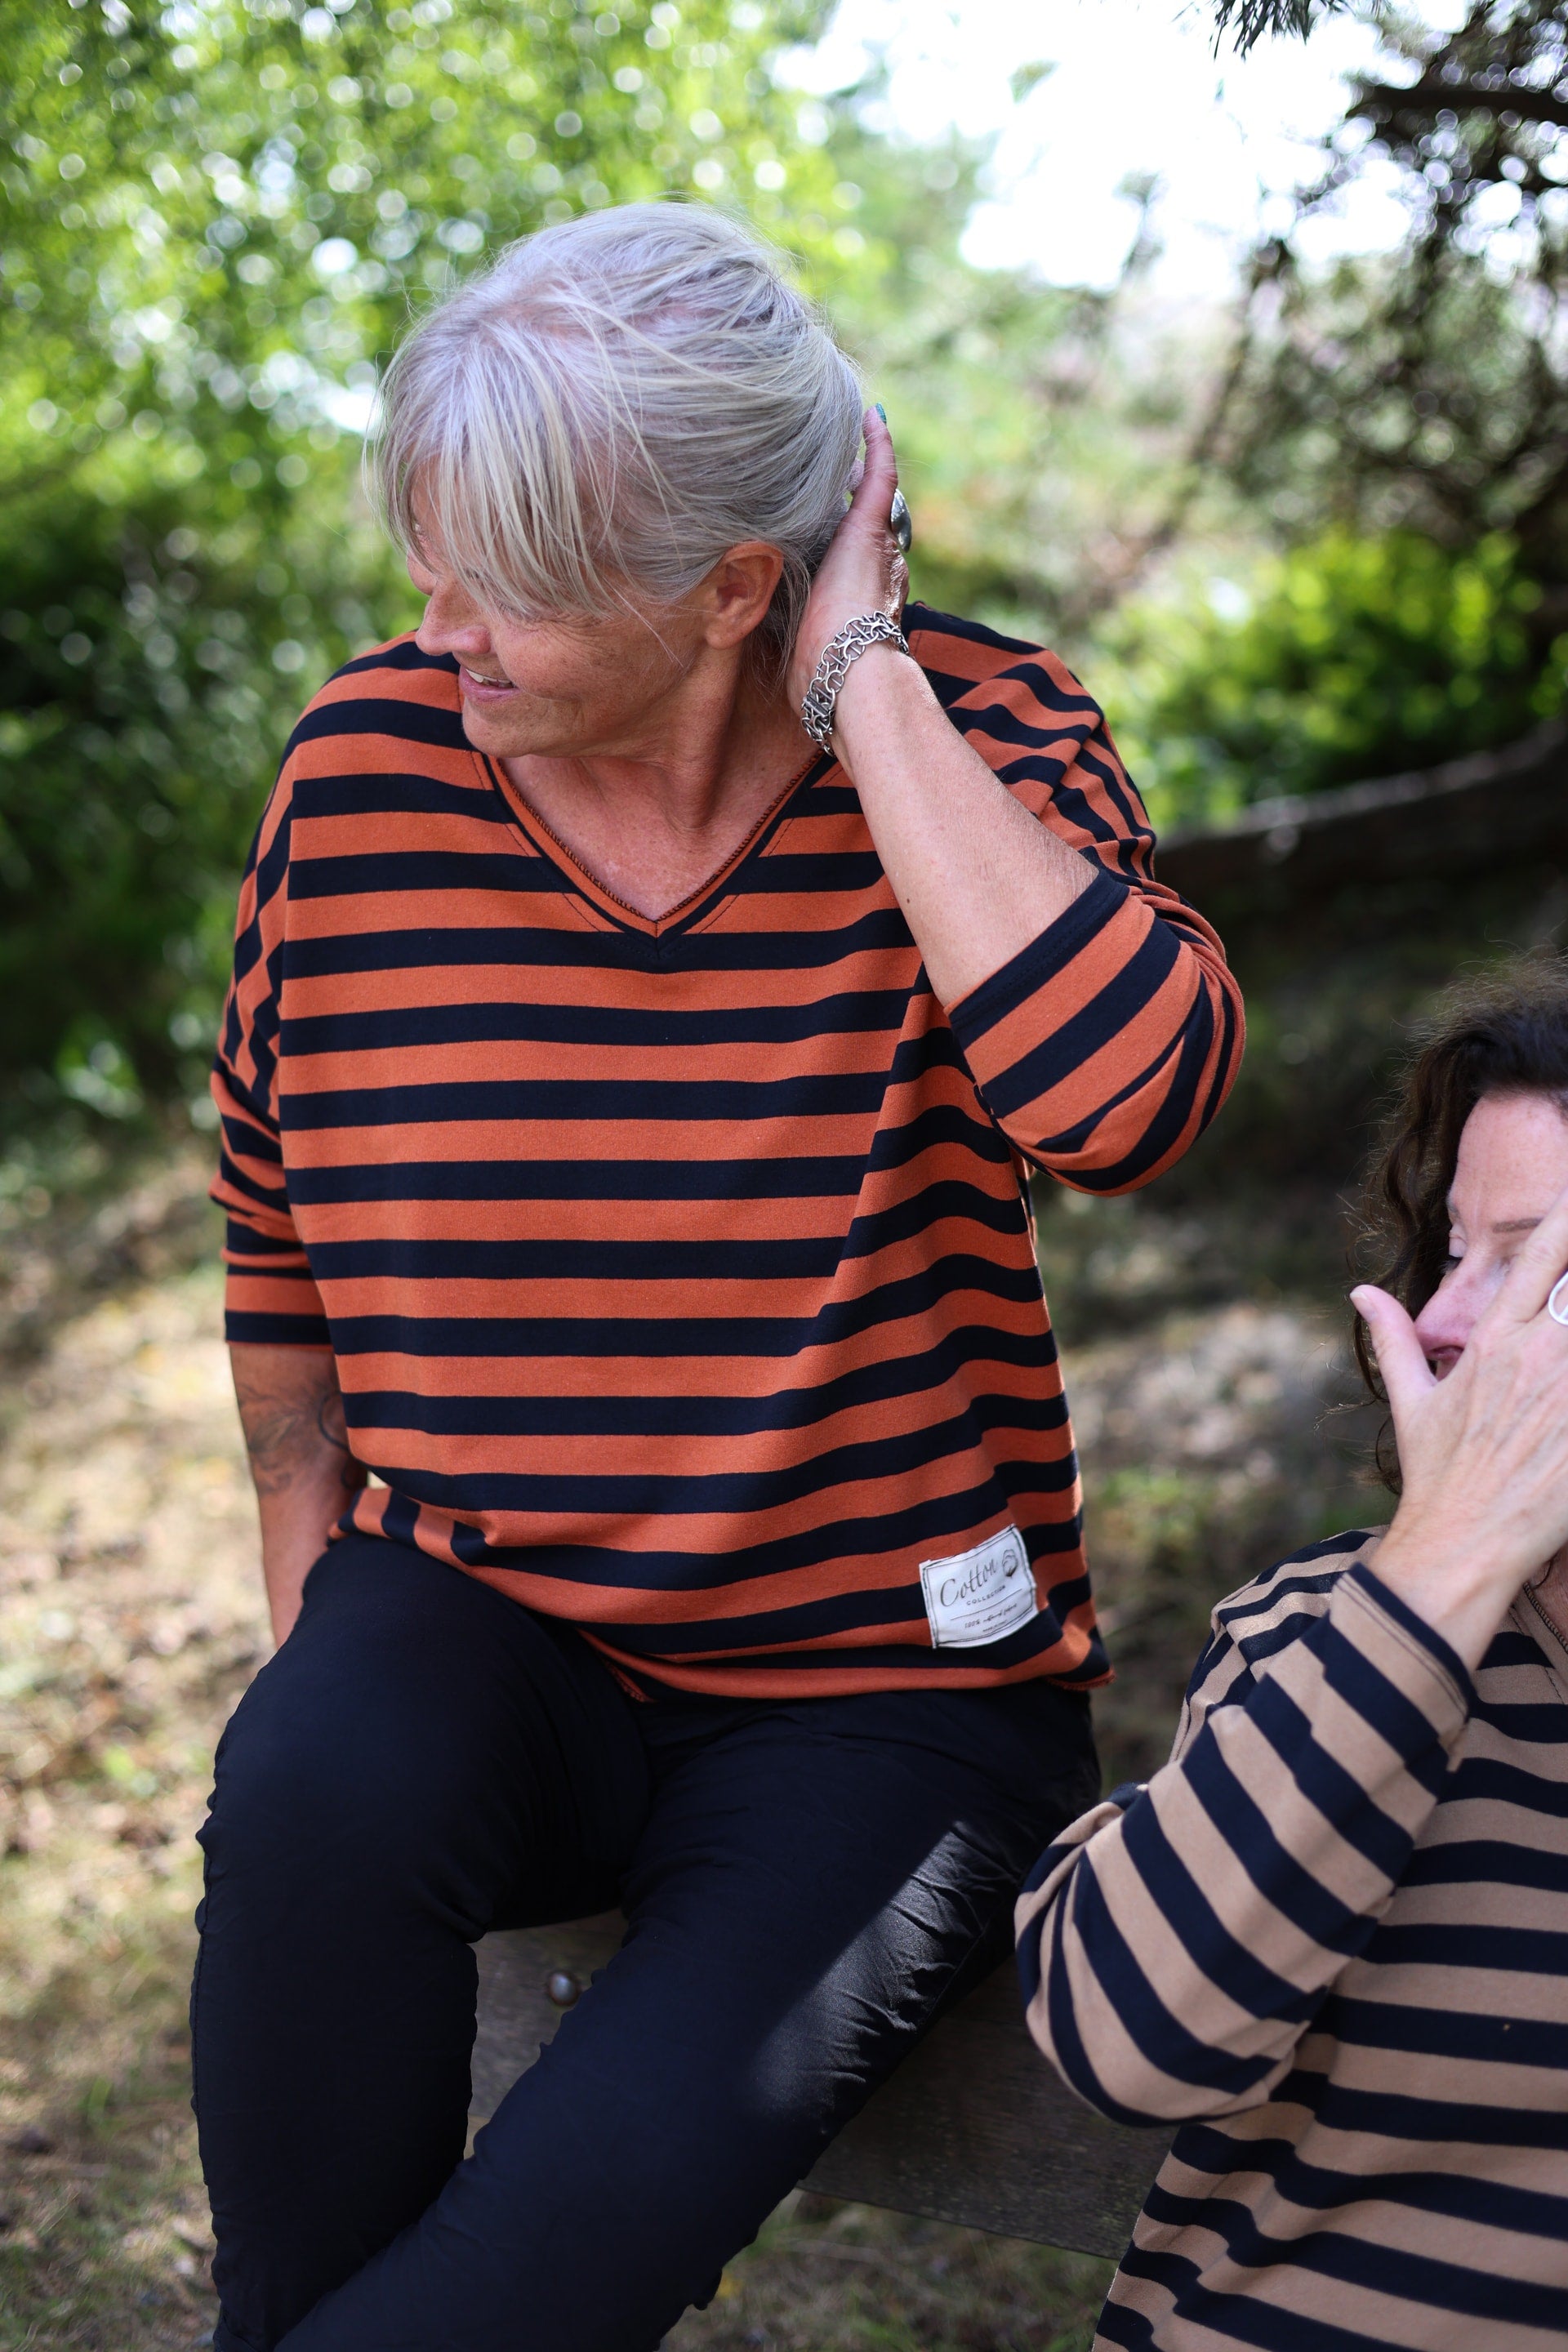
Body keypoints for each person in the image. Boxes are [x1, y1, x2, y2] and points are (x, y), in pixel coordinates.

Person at [196, 201, 1243, 2352]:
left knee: (515, 2295)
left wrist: (868, 682)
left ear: (730, 588)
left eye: (505, 583)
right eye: (430, 552)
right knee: (309, 1781)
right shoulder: (365, 770)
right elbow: (266, 1206)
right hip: (483, 1635)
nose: (440, 622)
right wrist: (314, 1590)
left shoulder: (973, 739)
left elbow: (1134, 1110)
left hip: (889, 1708)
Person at [1016, 957, 1568, 2350]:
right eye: (1451, 1249)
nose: (1437, 1321)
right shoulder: (1326, 1634)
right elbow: (1121, 2033)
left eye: (1528, 1261)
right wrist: (1449, 1558)